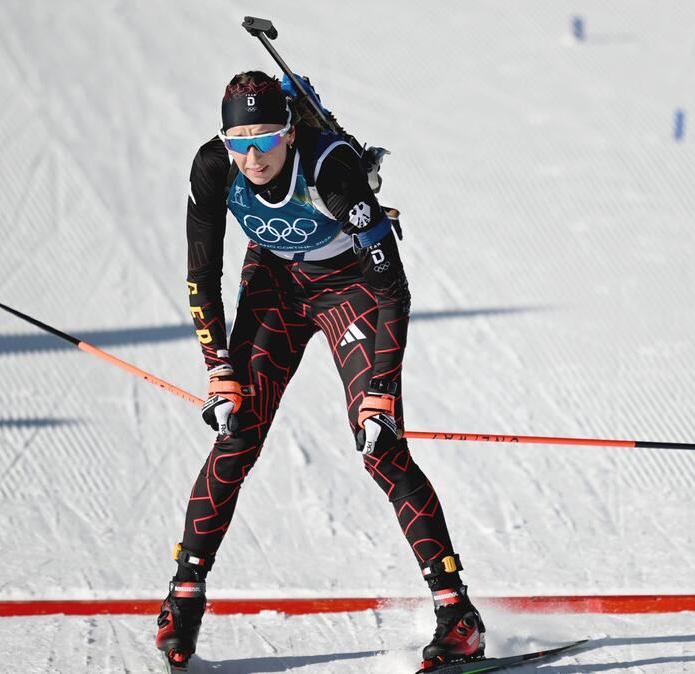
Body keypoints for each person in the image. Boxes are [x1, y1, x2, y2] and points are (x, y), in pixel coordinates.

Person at [154, 70, 485, 673]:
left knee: (380, 446)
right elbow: (202, 274)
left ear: (288, 131)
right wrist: (218, 368)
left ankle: (457, 614)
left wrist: (380, 391)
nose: (252, 157)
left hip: (349, 288)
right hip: (275, 285)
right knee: (236, 434)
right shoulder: (213, 167)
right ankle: (183, 601)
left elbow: (392, 287)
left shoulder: (330, 168)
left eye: (264, 140)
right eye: (238, 142)